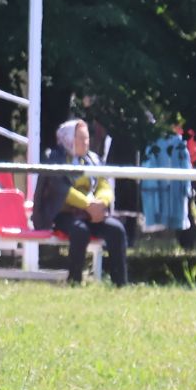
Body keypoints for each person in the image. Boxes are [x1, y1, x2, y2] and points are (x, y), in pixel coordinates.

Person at [43, 118, 128, 286]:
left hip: (93, 213)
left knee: (116, 230)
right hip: (64, 213)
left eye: (87, 138)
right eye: (81, 139)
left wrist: (101, 203)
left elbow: (104, 185)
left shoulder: (94, 160)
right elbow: (62, 190)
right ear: (68, 139)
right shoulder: (56, 159)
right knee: (79, 231)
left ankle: (120, 283)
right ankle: (74, 280)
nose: (86, 142)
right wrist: (88, 206)